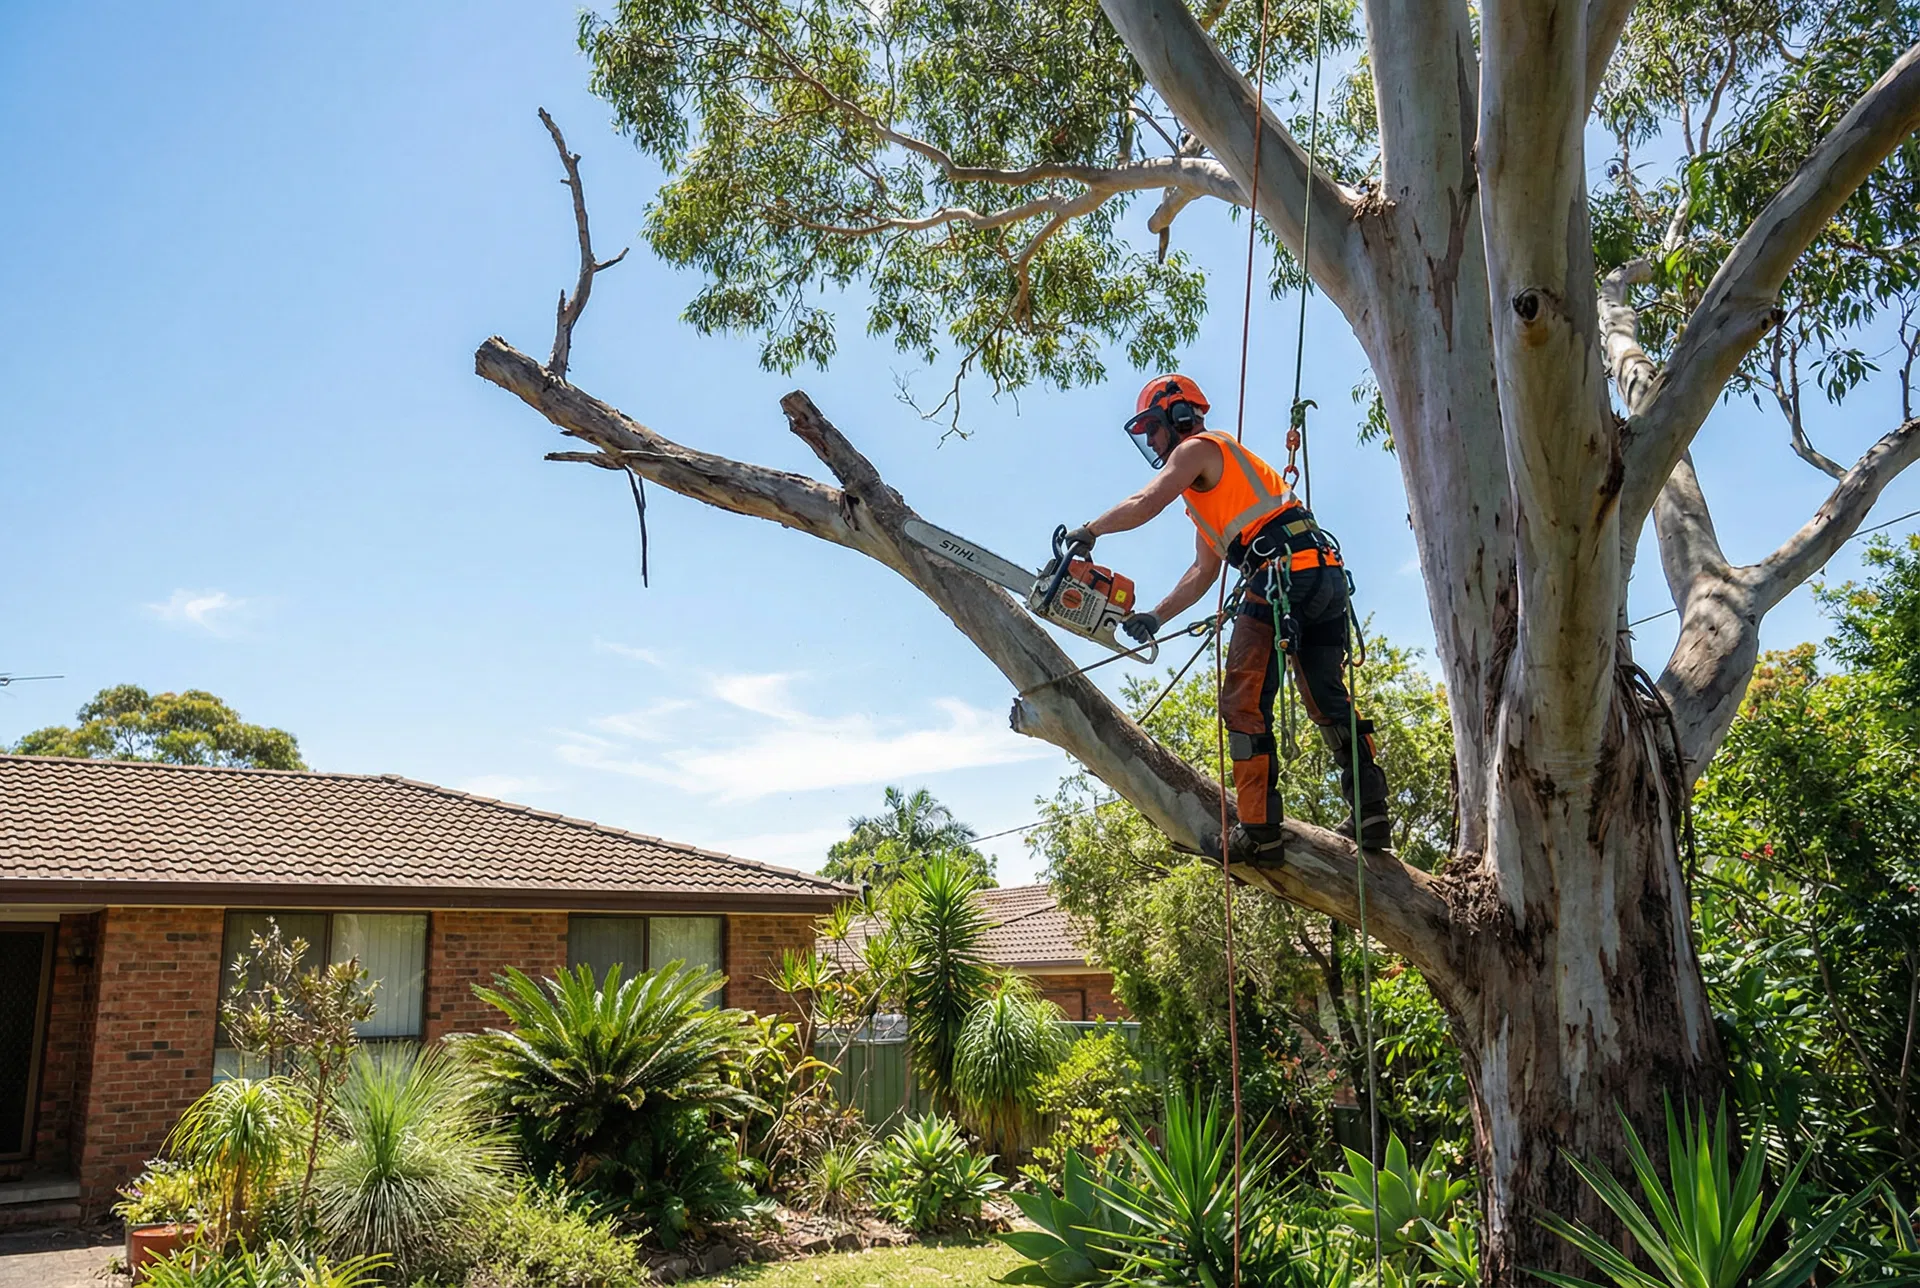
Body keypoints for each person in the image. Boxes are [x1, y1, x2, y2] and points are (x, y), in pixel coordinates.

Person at [1064, 373, 1391, 856]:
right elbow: (1202, 573)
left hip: (1280, 576)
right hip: (1322, 574)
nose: (1152, 441)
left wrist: (1090, 530)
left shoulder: (1198, 447)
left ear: (1177, 416)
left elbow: (1145, 500)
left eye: (1153, 429)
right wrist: (1155, 616)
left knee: (1243, 702)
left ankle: (1259, 834)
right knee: (1328, 699)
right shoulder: (1213, 493)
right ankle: (1372, 816)